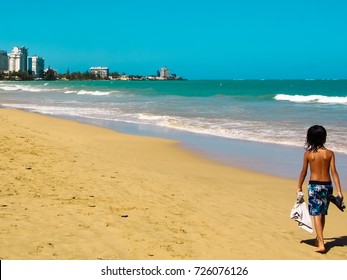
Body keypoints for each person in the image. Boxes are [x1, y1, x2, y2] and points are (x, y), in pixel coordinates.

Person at [297, 125, 343, 253]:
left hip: (314, 186)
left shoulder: (308, 154)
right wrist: (339, 191)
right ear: (324, 138)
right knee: (322, 213)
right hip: (328, 186)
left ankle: (321, 243)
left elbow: (303, 172)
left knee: (316, 214)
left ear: (310, 138)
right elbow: (334, 172)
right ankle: (319, 238)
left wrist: (299, 186)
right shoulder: (329, 153)